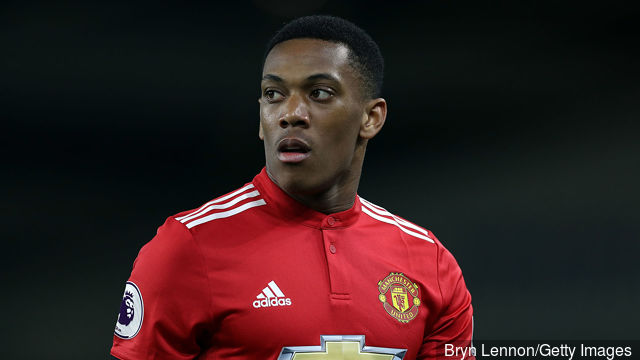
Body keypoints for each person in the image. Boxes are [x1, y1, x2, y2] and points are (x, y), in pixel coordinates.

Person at [111, 15, 474, 360]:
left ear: (371, 117)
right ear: (260, 118)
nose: (290, 113)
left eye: (319, 93)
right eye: (273, 94)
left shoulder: (430, 264)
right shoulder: (188, 248)